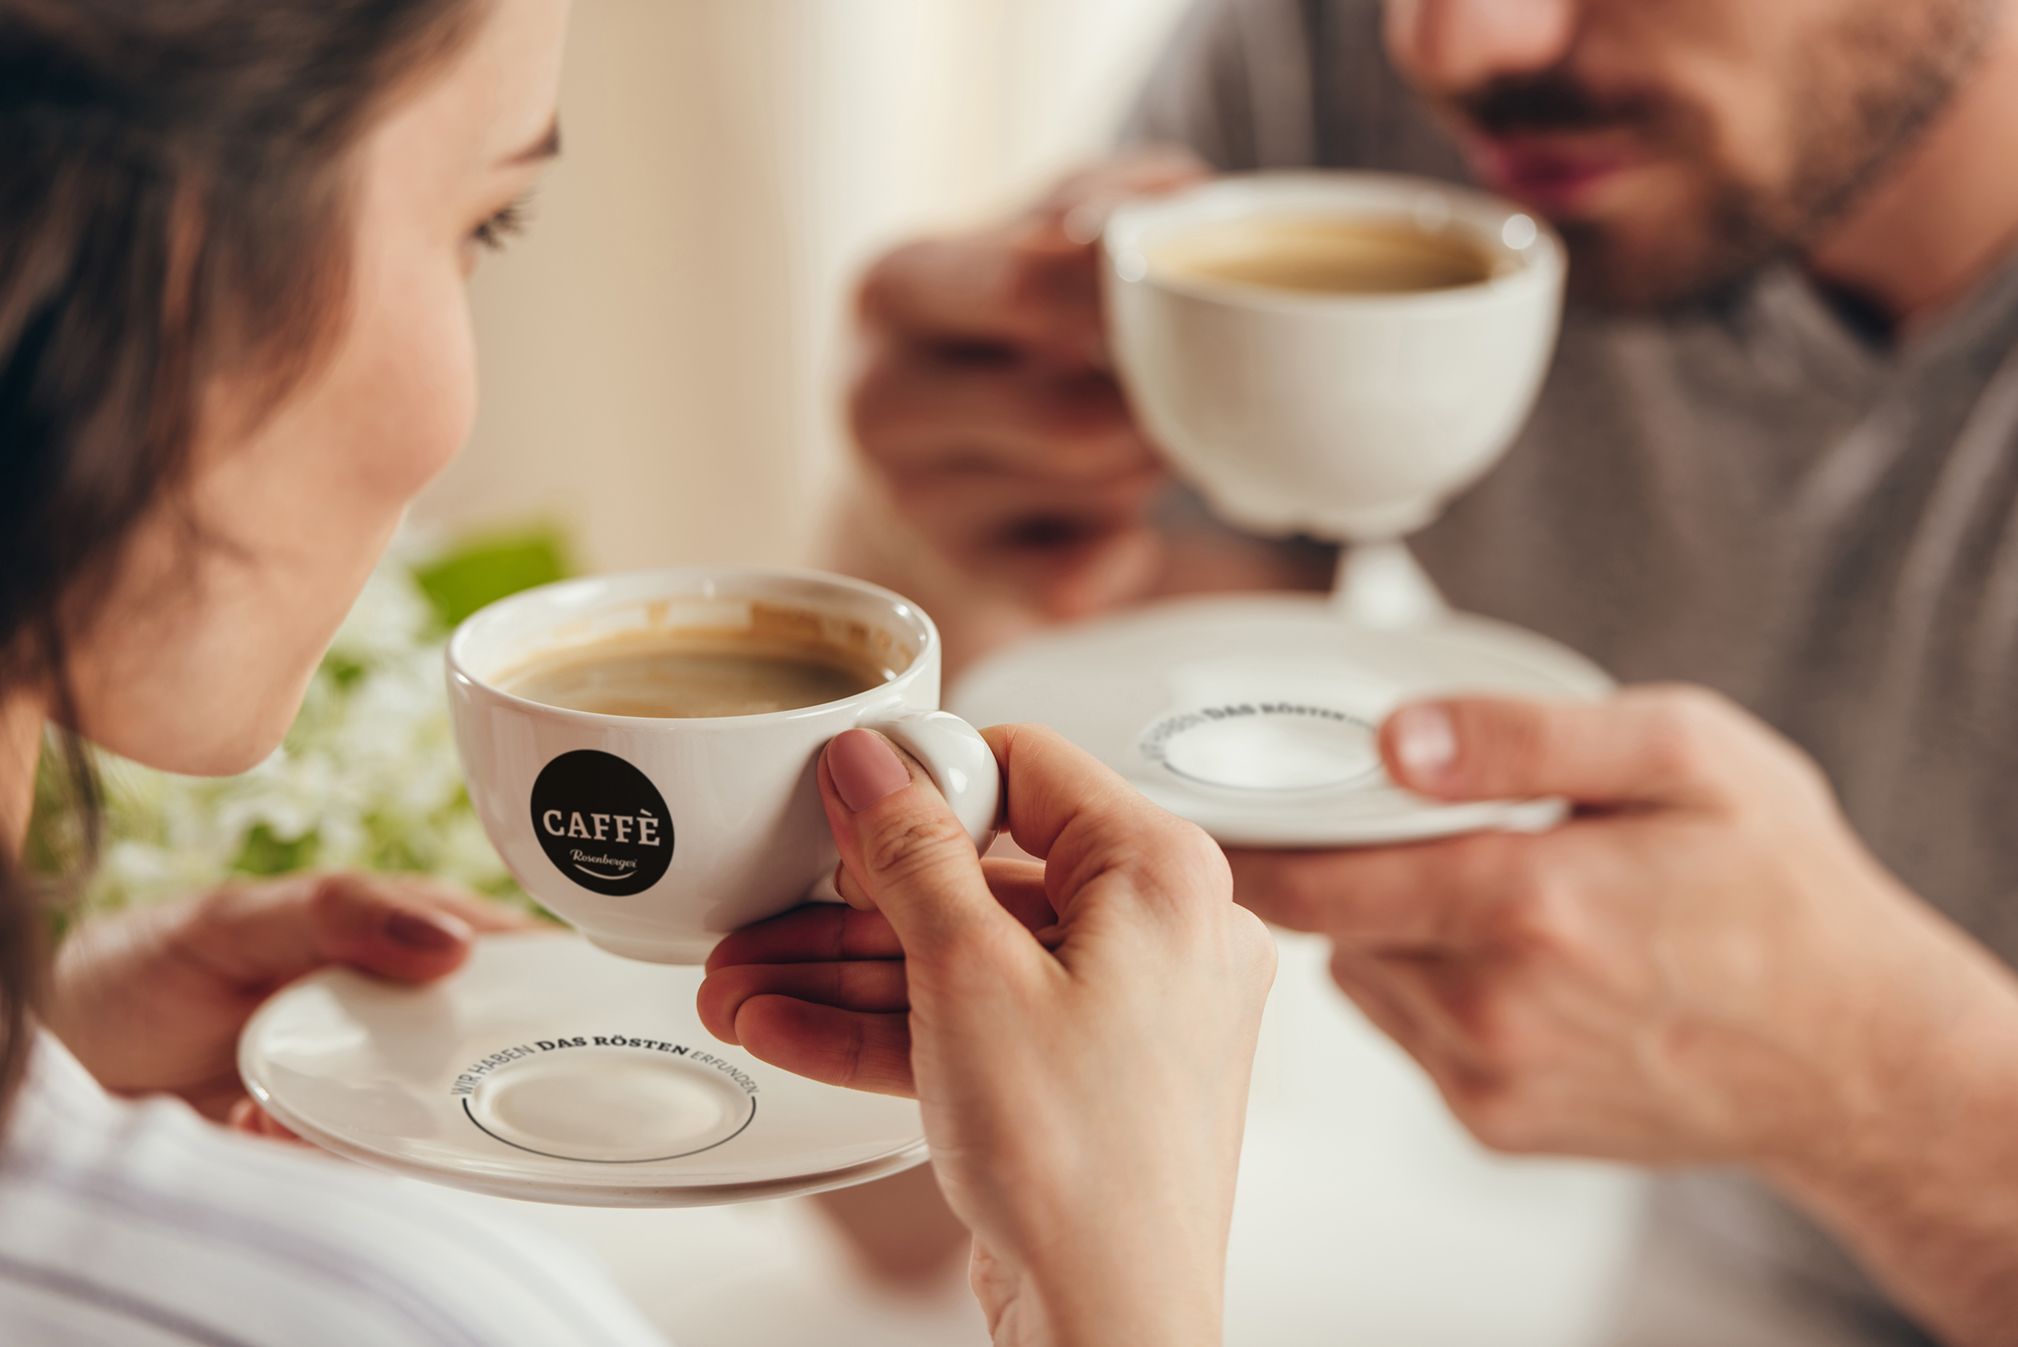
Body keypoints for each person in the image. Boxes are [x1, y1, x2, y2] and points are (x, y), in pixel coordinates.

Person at [0, 4, 1275, 1345]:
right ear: (149, 270)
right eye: (477, 225)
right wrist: (1129, 1285)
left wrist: (65, 1078)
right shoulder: (414, 1317)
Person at [826, 0, 2018, 1343]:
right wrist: (941, 570)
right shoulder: (1333, 71)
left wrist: (1877, 1089)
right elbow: (899, 1194)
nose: (1449, 47)